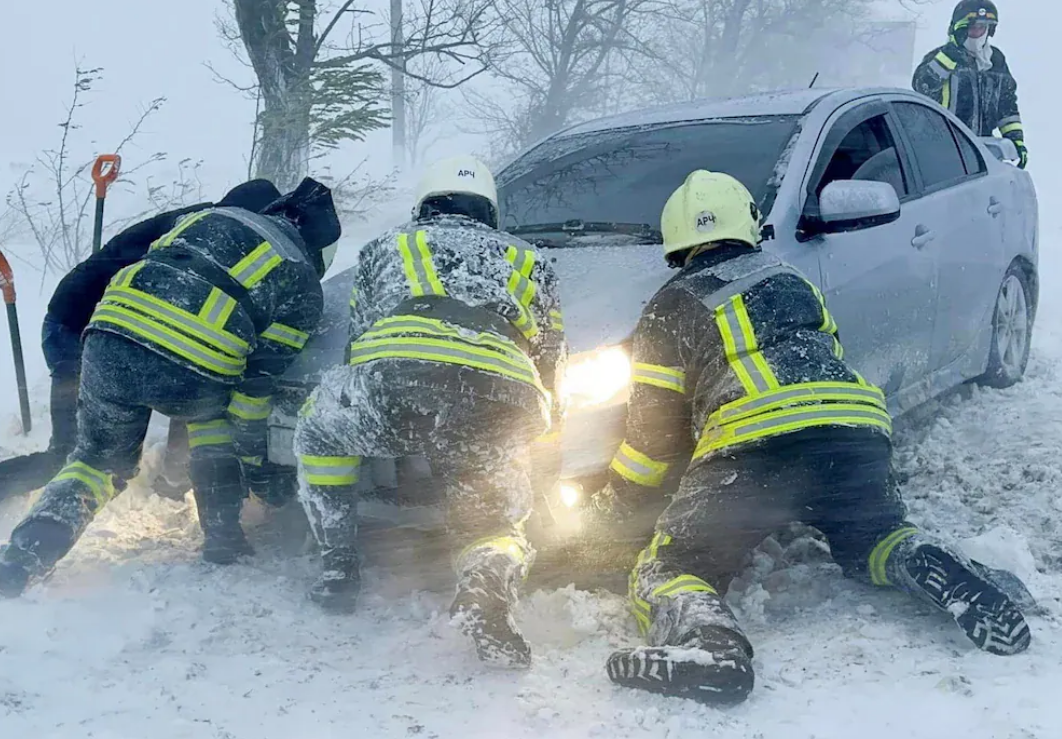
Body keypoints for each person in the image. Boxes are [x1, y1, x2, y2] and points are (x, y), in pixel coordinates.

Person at [593, 170, 1032, 705]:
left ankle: (711, 647)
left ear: (675, 242)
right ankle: (927, 562)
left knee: (673, 565)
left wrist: (615, 503)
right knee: (872, 536)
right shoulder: (791, 281)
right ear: (746, 224)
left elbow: (652, 442)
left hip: (752, 448)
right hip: (855, 431)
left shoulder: (670, 305)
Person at [0, 176, 341, 597]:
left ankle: (23, 556)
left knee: (96, 462)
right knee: (213, 425)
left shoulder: (205, 217)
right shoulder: (301, 281)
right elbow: (254, 391)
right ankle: (223, 540)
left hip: (107, 339)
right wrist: (258, 467)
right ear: (318, 249)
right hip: (193, 364)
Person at [292, 155, 567, 667]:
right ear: (489, 210)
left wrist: (388, 413)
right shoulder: (531, 259)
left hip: (398, 381)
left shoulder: (389, 246)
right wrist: (540, 441)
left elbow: (360, 343)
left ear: (424, 205)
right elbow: (550, 363)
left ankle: (338, 566)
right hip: (499, 393)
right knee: (495, 521)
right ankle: (487, 583)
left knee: (319, 431)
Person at [0, 185, 283, 534]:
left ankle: (171, 481)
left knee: (192, 376)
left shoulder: (205, 227)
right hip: (80, 334)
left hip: (118, 333)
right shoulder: (205, 235)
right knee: (70, 454)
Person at [912, 0, 1026, 168]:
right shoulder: (940, 58)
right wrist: (948, 59)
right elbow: (922, 87)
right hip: (942, 149)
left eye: (982, 28)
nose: (977, 33)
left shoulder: (996, 60)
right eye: (972, 28)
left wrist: (1015, 139)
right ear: (960, 30)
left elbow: (1006, 105)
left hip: (983, 151)